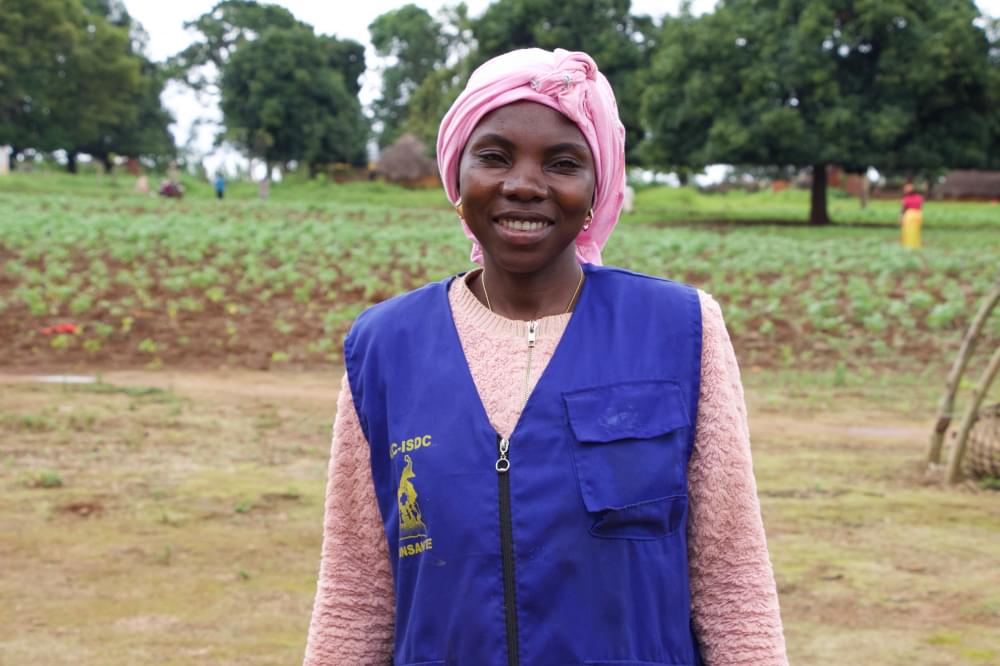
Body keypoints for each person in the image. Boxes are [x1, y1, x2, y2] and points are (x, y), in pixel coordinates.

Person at [304, 48, 787, 666]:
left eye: (562, 163)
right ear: (457, 178)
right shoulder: (384, 346)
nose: (524, 185)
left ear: (597, 187)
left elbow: (731, 578)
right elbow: (356, 593)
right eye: (495, 156)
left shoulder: (679, 329)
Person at [901, 182, 923, 249]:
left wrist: (901, 216)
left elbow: (903, 208)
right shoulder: (920, 197)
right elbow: (920, 207)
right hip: (918, 214)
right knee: (916, 230)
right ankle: (916, 244)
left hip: (909, 215)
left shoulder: (906, 198)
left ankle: (908, 244)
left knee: (908, 230)